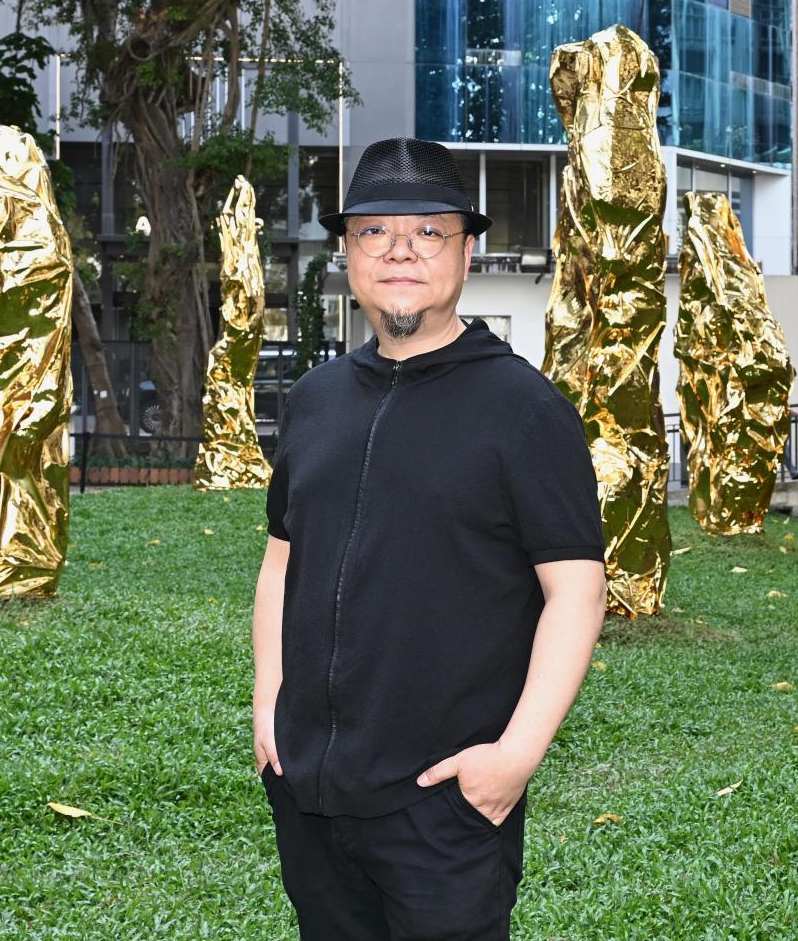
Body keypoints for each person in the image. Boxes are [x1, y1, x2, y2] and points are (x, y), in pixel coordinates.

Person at [252, 137, 607, 941]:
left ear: (466, 250)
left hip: (444, 803)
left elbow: (576, 592)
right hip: (310, 790)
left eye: (428, 231)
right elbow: (282, 559)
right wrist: (268, 703)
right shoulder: (314, 400)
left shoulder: (523, 408)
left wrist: (513, 758)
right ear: (347, 252)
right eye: (375, 231)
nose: (400, 250)